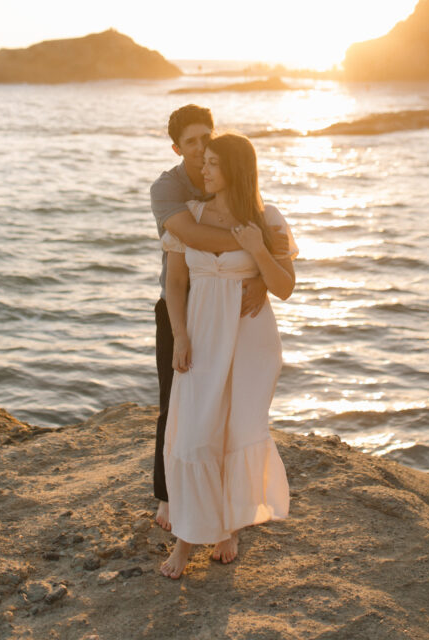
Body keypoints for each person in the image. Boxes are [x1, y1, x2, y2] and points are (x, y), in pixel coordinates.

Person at [159, 132, 297, 579]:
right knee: (197, 433)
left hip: (250, 339)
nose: (205, 169)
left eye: (214, 163)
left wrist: (258, 251)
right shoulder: (189, 218)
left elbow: (285, 287)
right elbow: (175, 284)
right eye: (205, 162)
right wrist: (180, 337)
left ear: (235, 170)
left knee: (237, 431)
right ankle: (185, 540)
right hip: (201, 336)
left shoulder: (268, 218)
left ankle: (228, 528)